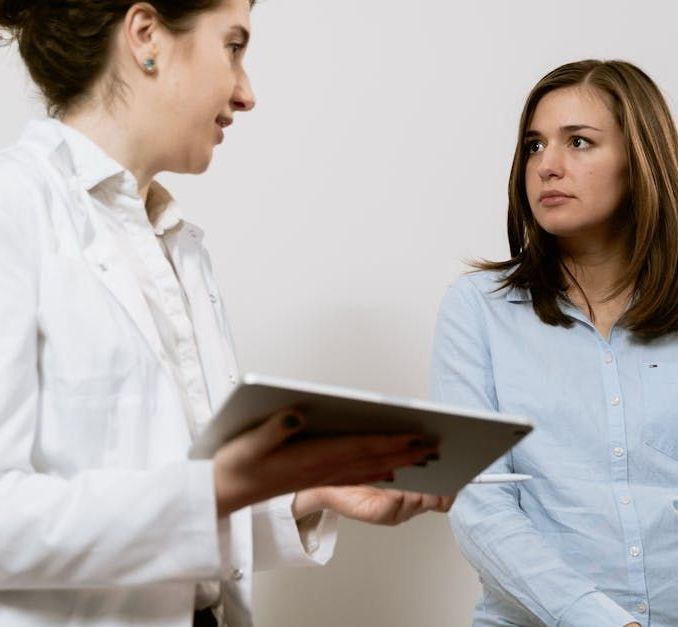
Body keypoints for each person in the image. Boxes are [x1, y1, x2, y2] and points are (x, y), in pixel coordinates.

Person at [0, 1, 453, 626]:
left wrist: (301, 493)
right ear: (147, 36)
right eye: (233, 46)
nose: (246, 93)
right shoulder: (14, 211)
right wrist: (216, 486)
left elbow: (173, 531)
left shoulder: (175, 245)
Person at [431, 59, 678, 627]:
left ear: (640, 162)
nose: (549, 166)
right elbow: (479, 501)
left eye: (580, 142)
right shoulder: (478, 309)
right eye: (535, 146)